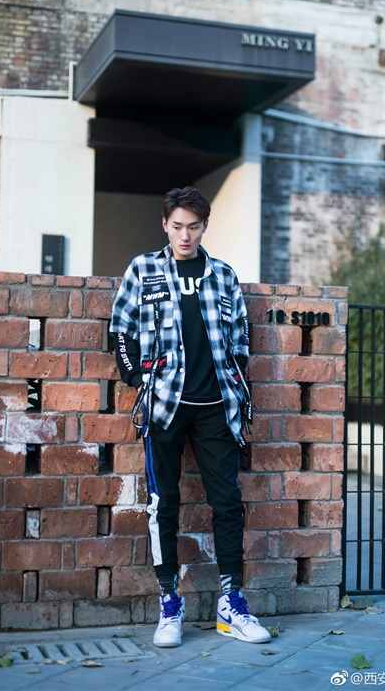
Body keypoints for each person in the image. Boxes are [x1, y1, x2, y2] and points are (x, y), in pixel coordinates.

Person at [110, 186, 271, 648]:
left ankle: (231, 603)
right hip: (164, 405)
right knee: (164, 503)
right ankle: (169, 603)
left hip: (217, 407)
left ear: (204, 227)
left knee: (228, 502)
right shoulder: (143, 269)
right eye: (178, 226)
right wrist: (136, 377)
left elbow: (240, 336)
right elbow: (120, 328)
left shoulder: (223, 275)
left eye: (194, 227)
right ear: (165, 225)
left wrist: (236, 381)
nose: (185, 235)